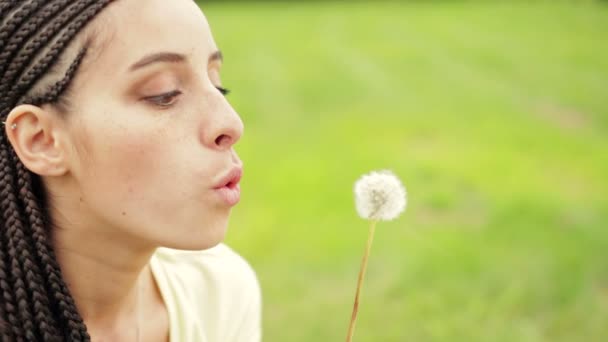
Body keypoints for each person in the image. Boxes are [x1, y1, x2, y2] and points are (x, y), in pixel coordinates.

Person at [0, 0, 261, 341]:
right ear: (41, 140)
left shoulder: (217, 292)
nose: (230, 122)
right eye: (164, 94)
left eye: (216, 83)